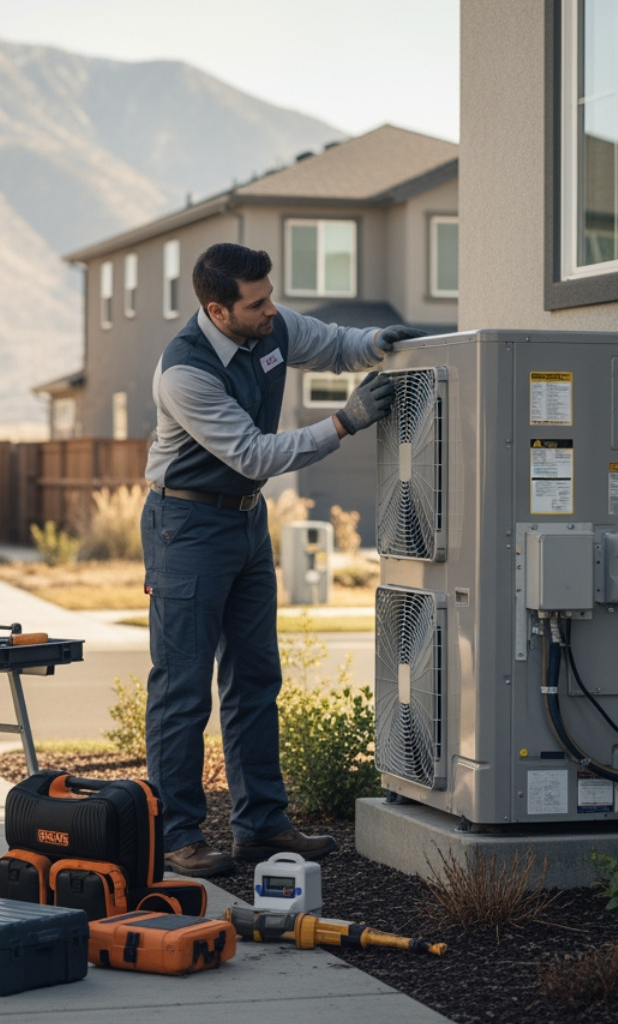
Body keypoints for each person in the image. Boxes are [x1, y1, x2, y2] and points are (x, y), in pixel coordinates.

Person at [141, 242, 426, 877]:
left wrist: (382, 341)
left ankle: (261, 826)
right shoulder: (185, 372)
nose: (273, 309)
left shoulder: (270, 328)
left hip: (243, 521)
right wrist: (345, 422)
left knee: (254, 678)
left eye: (270, 295)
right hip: (185, 525)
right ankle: (176, 836)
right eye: (258, 302)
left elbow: (334, 344)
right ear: (218, 311)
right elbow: (255, 454)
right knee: (182, 688)